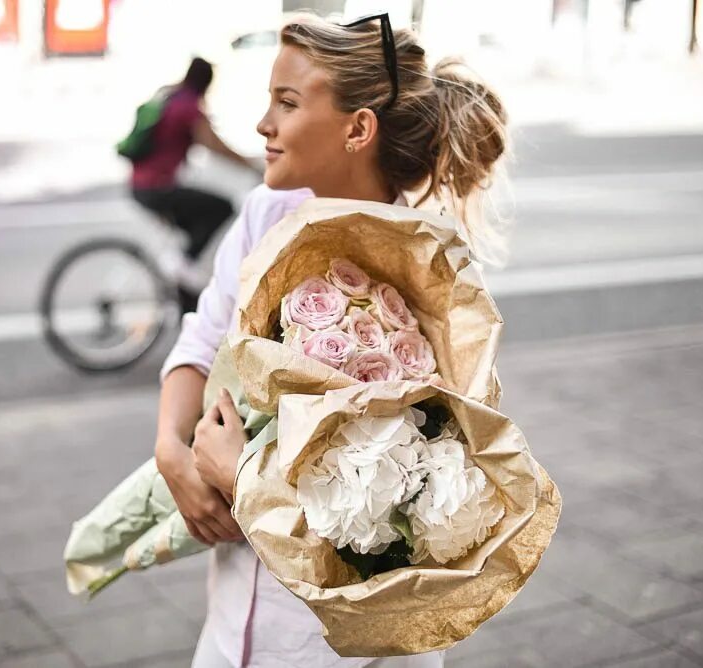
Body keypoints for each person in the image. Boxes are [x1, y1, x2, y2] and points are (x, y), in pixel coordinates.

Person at [154, 13, 509, 668]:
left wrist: (242, 476)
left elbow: (422, 501)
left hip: (345, 646)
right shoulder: (264, 214)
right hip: (234, 626)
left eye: (286, 103)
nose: (263, 124)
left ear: (357, 129)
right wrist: (171, 451)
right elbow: (202, 338)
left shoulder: (439, 272)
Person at [130, 57, 262, 309]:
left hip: (142, 184)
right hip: (157, 186)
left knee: (195, 220)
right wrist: (250, 165)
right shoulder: (188, 106)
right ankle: (183, 271)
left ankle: (185, 293)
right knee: (220, 208)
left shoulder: (170, 96)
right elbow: (212, 144)